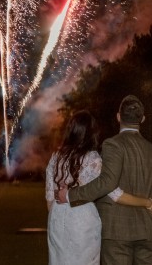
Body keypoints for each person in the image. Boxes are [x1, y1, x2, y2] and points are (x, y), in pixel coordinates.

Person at [56, 95, 152, 265]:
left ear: (118, 117)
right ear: (142, 119)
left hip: (117, 231)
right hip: (149, 230)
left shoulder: (113, 145)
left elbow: (107, 182)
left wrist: (70, 195)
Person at [45, 110, 116, 265]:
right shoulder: (93, 159)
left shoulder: (56, 157)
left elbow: (50, 198)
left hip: (57, 215)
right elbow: (108, 188)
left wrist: (59, 215)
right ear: (92, 133)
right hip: (83, 216)